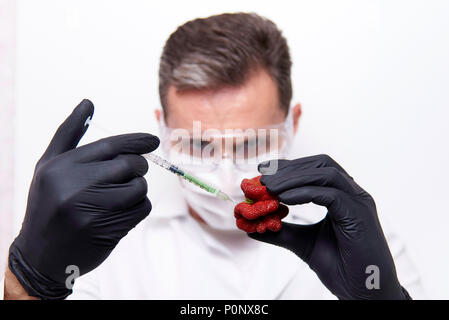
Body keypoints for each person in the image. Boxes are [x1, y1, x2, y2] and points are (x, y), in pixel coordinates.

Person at [2, 13, 423, 300]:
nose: (225, 180)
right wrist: (28, 280)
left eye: (252, 144)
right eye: (199, 145)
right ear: (162, 128)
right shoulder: (105, 257)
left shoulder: (361, 249)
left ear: (292, 123)